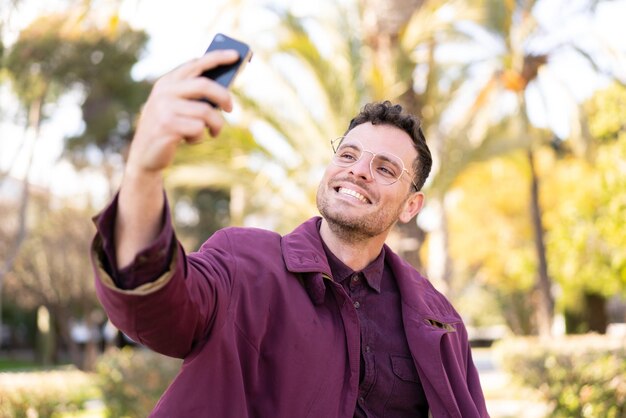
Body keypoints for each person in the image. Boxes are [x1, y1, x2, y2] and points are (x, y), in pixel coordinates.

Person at [91, 48, 489, 417]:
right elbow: (154, 306)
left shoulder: (439, 321)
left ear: (410, 207)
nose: (358, 170)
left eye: (385, 168)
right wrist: (143, 171)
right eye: (347, 155)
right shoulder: (241, 265)